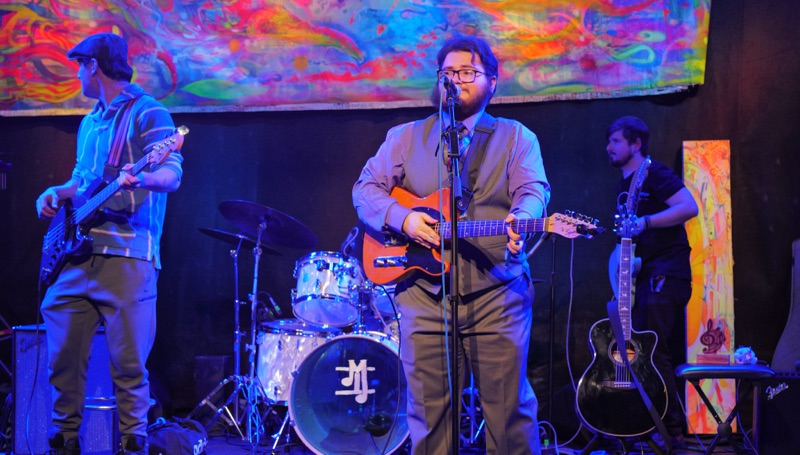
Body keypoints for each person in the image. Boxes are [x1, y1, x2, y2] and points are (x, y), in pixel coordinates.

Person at [353, 35, 550, 454]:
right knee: (430, 422)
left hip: (497, 295)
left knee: (509, 418)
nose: (455, 80)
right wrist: (402, 218)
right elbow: (365, 190)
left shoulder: (517, 137)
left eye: (467, 72)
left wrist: (523, 216)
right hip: (423, 298)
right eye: (448, 73)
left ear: (492, 81)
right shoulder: (406, 137)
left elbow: (533, 191)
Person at [35, 33, 183, 455]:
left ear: (93, 66)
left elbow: (172, 173)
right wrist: (55, 193)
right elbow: (80, 181)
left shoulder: (148, 111)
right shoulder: (89, 122)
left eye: (79, 66)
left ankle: (133, 443)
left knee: (129, 366)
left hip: (127, 256)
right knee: (61, 362)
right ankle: (64, 441)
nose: (77, 76)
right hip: (75, 257)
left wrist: (144, 177)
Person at [605, 116, 698, 448]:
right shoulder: (627, 184)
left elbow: (689, 206)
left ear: (636, 144)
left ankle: (671, 432)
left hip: (666, 273)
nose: (608, 147)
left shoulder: (654, 173)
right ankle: (653, 427)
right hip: (647, 276)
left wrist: (645, 222)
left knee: (651, 348)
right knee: (644, 349)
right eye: (609, 141)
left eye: (616, 141)